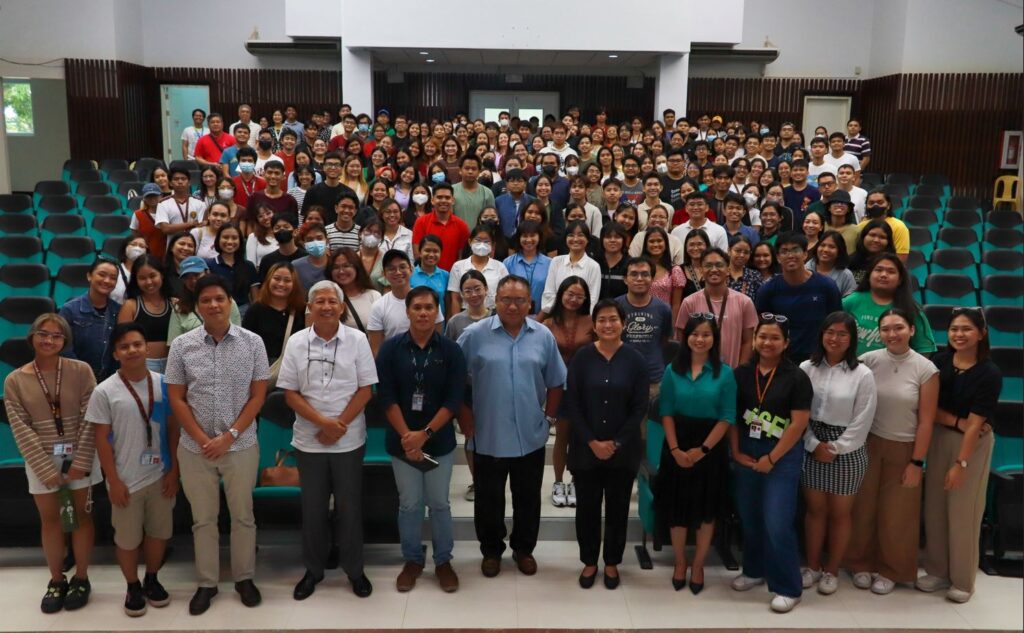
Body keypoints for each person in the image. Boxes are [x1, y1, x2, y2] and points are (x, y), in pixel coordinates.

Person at [165, 275, 270, 615]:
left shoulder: (252, 343)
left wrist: (230, 436)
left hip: (240, 445)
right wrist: (200, 437)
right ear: (197, 307)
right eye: (206, 300)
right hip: (195, 448)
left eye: (219, 299)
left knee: (243, 516)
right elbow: (176, 398)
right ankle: (207, 583)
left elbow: (258, 395)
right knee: (203, 519)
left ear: (229, 302)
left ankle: (244, 578)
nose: (213, 305)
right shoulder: (182, 345)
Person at [457, 276, 566, 578]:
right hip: (487, 433)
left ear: (530, 303)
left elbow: (557, 380)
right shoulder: (474, 335)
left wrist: (550, 418)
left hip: (530, 433)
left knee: (528, 498)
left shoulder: (542, 336)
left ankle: (523, 549)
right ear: (496, 300)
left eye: (520, 300)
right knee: (488, 498)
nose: (513, 305)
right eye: (506, 299)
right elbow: (455, 379)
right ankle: (491, 551)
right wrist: (465, 419)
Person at [277, 280, 376, 601]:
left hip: (349, 440)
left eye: (332, 301)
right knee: (313, 509)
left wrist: (339, 424)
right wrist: (322, 423)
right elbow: (289, 393)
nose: (326, 306)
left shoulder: (357, 340)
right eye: (319, 301)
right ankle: (314, 569)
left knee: (350, 508)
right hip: (309, 440)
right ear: (310, 307)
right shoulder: (296, 342)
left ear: (342, 306)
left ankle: (355, 570)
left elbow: (366, 389)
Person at [4, 314, 101, 614]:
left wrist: (79, 462)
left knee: (82, 519)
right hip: (41, 459)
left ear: (65, 341)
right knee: (51, 521)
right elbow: (20, 427)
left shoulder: (81, 371)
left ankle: (81, 578)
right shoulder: (15, 380)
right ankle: (57, 580)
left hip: (80, 457)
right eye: (43, 334)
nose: (49, 340)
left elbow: (92, 416)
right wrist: (47, 469)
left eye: (57, 336)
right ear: (32, 336)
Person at [377, 286, 466, 594]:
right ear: (408, 311)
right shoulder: (390, 349)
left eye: (430, 307)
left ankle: (443, 561)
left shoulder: (451, 351)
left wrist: (424, 434)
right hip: (401, 443)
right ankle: (413, 560)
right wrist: (407, 437)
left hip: (438, 441)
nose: (424, 312)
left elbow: (454, 400)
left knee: (440, 503)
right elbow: (385, 396)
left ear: (438, 311)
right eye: (418, 307)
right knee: (410, 504)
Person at [88, 323, 179, 617]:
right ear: (116, 353)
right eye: (124, 346)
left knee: (159, 532)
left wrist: (174, 471)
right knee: (127, 539)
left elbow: (174, 428)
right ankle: (132, 585)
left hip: (161, 474)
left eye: (137, 344)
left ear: (147, 348)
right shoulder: (104, 391)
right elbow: (101, 439)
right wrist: (112, 480)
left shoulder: (165, 383)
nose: (132, 350)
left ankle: (152, 579)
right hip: (125, 479)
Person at [847, 309, 938, 596]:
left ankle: (891, 570)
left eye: (898, 328)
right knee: (863, 507)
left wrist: (916, 461)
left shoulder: (925, 368)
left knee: (898, 514)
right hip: (869, 442)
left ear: (912, 330)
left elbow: (926, 421)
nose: (891, 334)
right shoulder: (870, 360)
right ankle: (860, 563)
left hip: (905, 446)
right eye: (885, 329)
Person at [918, 307, 1002, 603]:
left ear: (982, 333)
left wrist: (960, 463)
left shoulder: (989, 372)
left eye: (967, 329)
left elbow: (976, 425)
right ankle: (937, 571)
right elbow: (929, 409)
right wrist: (953, 420)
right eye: (954, 329)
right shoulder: (940, 362)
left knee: (964, 511)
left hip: (972, 446)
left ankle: (963, 580)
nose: (959, 334)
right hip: (941, 436)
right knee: (936, 507)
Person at [730, 315, 813, 613]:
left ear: (786, 343)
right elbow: (732, 417)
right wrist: (736, 452)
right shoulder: (741, 373)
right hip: (747, 450)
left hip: (782, 454)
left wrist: (772, 458)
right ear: (754, 340)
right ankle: (753, 570)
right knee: (750, 517)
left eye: (775, 337)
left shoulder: (796, 377)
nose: (767, 342)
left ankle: (789, 587)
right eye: (762, 336)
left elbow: (798, 424)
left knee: (777, 521)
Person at [564, 300, 648, 590]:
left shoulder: (636, 360)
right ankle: (589, 561)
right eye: (602, 320)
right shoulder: (582, 357)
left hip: (622, 451)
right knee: (586, 508)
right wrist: (591, 440)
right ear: (595, 324)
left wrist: (616, 442)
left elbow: (639, 408)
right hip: (585, 448)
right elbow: (572, 403)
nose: (608, 324)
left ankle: (611, 561)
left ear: (623, 322)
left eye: (613, 319)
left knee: (617, 508)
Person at [657, 313, 736, 595]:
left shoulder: (724, 373)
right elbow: (665, 411)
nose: (700, 339)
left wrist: (702, 450)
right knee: (677, 509)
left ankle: (699, 564)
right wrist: (676, 449)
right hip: (676, 443)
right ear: (685, 336)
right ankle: (680, 562)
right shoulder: (672, 370)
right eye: (695, 334)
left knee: (706, 511)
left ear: (714, 339)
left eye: (706, 334)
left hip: (710, 448)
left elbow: (727, 417)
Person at [799, 313, 877, 596]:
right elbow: (798, 412)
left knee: (840, 514)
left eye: (843, 334)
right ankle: (812, 566)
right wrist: (812, 443)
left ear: (852, 339)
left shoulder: (863, 373)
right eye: (830, 332)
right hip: (811, 442)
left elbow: (863, 418)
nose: (835, 338)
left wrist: (835, 448)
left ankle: (832, 570)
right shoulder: (807, 367)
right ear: (821, 334)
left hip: (848, 448)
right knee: (815, 511)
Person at [544, 277, 595, 509]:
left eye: (579, 296)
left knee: (580, 437)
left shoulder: (592, 321)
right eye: (569, 294)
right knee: (562, 438)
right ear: (561, 294)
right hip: (558, 388)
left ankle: (575, 481)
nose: (574, 300)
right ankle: (557, 482)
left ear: (586, 299)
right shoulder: (547, 321)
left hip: (586, 389)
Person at [755, 233, 842, 364]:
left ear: (805, 254)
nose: (790, 255)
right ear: (778, 258)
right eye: (784, 251)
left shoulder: (826, 286)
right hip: (780, 359)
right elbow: (759, 325)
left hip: (817, 359)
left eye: (795, 250)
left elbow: (836, 322)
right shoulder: (767, 290)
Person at [843, 253, 936, 355]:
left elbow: (924, 349)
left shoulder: (911, 309)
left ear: (900, 279)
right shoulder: (851, 301)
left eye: (891, 271)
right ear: (869, 275)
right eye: (878, 270)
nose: (883, 275)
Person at [678, 247, 757, 368]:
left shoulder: (744, 302)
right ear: (701, 270)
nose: (714, 269)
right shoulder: (689, 302)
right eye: (708, 265)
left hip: (732, 374)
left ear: (728, 270)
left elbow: (748, 342)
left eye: (719, 265)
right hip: (697, 375)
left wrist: (740, 374)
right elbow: (681, 340)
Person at [367, 250, 443, 356]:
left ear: (411, 270)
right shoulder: (378, 306)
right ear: (384, 274)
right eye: (391, 269)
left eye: (402, 267)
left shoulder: (428, 299)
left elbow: (438, 337)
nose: (397, 272)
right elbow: (376, 350)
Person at [60, 258, 120, 380]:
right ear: (89, 276)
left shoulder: (119, 311)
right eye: (102, 275)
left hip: (110, 381)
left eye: (113, 278)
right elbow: (64, 348)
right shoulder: (70, 309)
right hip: (75, 378)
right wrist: (84, 375)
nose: (107, 281)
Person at [117, 256, 173, 373]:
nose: (148, 282)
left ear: (161, 275)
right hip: (143, 365)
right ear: (136, 280)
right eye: (142, 278)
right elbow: (122, 340)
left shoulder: (175, 303)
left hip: (172, 364)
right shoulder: (130, 305)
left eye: (152, 276)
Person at [241, 262, 306, 363]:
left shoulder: (301, 310)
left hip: (294, 367)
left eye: (287, 280)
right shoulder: (255, 310)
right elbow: (245, 344)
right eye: (276, 278)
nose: (281, 284)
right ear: (268, 280)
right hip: (262, 370)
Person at [167, 257, 242, 344]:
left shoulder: (226, 301)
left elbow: (237, 335)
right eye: (187, 277)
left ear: (207, 272)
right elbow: (173, 343)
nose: (193, 280)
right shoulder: (179, 307)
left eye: (196, 274)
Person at [539, 221, 601, 319]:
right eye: (571, 235)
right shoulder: (556, 261)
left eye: (581, 235)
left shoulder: (594, 266)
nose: (575, 239)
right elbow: (549, 293)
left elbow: (593, 300)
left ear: (587, 239)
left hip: (582, 319)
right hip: (556, 317)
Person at [447, 225, 509, 316]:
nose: (482, 244)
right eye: (478, 240)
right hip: (466, 314)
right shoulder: (458, 266)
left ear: (493, 245)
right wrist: (457, 321)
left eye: (486, 241)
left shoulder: (500, 267)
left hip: (492, 314)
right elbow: (455, 298)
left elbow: (505, 295)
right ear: (470, 241)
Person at [412, 183, 470, 272]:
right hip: (426, 276)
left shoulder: (462, 225)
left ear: (453, 200)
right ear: (432, 200)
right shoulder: (421, 222)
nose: (443, 200)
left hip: (452, 278)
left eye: (447, 198)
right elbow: (417, 254)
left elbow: (462, 258)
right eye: (439, 197)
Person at [205, 224, 259, 315]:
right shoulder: (209, 265)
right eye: (225, 237)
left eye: (234, 238)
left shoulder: (248, 266)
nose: (230, 241)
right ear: (218, 240)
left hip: (244, 314)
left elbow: (255, 298)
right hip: (217, 312)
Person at [325, 248, 381, 334]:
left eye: (346, 266)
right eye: (336, 267)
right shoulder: (325, 298)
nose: (341, 271)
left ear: (357, 267)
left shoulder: (374, 296)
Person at [503, 220, 552, 315]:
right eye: (524, 236)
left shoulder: (550, 263)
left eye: (533, 235)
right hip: (514, 315)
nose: (529, 240)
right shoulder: (508, 263)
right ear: (519, 238)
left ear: (539, 237)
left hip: (542, 316)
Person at [155, 168, 206, 238]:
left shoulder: (199, 203)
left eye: (183, 179)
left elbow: (201, 226)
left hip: (195, 245)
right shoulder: (163, 203)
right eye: (176, 179)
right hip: (173, 246)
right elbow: (165, 229)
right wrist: (192, 224)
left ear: (189, 183)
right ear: (170, 183)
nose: (180, 182)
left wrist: (176, 227)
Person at [805, 230, 857, 297]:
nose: (825, 250)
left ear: (839, 251)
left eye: (832, 247)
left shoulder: (846, 275)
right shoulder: (806, 268)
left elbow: (849, 302)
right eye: (822, 245)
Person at [256, 213, 306, 281]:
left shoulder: (305, 257)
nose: (281, 230)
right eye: (277, 228)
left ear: (295, 231)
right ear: (273, 233)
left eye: (286, 227)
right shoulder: (267, 260)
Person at [848, 219, 897, 285]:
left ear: (888, 242)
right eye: (872, 235)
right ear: (864, 236)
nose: (876, 240)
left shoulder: (894, 265)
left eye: (882, 237)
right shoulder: (849, 261)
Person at [452, 154, 496, 227]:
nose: (470, 171)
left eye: (474, 169)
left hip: (480, 237)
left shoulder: (487, 193)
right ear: (460, 170)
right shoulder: (452, 191)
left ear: (479, 171)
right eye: (466, 168)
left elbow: (491, 218)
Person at [131, 184, 168, 260]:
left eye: (155, 195)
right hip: (147, 257)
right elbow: (135, 235)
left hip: (168, 256)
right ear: (144, 198)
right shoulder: (138, 214)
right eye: (149, 196)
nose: (152, 198)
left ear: (161, 196)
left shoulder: (170, 213)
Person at [410, 235, 449, 306]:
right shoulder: (410, 274)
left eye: (436, 251)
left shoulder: (445, 275)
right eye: (427, 250)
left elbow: (448, 303)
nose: (431, 255)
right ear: (420, 252)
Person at [293, 222, 330, 291]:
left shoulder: (335, 263)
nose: (315, 242)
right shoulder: (296, 266)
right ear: (303, 244)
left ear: (327, 240)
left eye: (319, 238)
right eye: (309, 240)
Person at [597, 222, 630, 301]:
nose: (612, 240)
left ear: (623, 240)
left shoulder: (630, 264)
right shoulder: (595, 263)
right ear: (602, 239)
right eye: (608, 237)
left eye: (617, 237)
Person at [727, 236, 764, 300]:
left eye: (746, 252)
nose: (742, 255)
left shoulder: (754, 276)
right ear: (729, 250)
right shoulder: (720, 273)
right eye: (738, 251)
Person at [245, 202, 279, 269]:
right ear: (257, 220)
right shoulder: (253, 237)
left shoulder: (283, 234)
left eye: (268, 213)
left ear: (274, 213)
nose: (265, 218)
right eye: (260, 216)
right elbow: (251, 264)